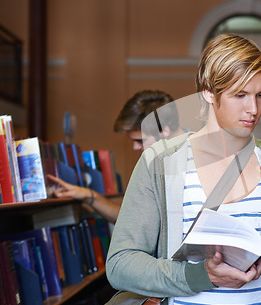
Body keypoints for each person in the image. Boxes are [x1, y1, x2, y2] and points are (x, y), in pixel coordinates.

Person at [105, 34, 261, 305]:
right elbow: (121, 265)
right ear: (208, 92)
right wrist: (200, 275)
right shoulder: (159, 163)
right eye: (240, 95)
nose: (254, 110)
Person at [47, 90, 183, 224]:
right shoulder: (160, 161)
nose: (135, 147)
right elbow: (134, 220)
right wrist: (88, 195)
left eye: (140, 140)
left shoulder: (194, 162)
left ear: (164, 131)